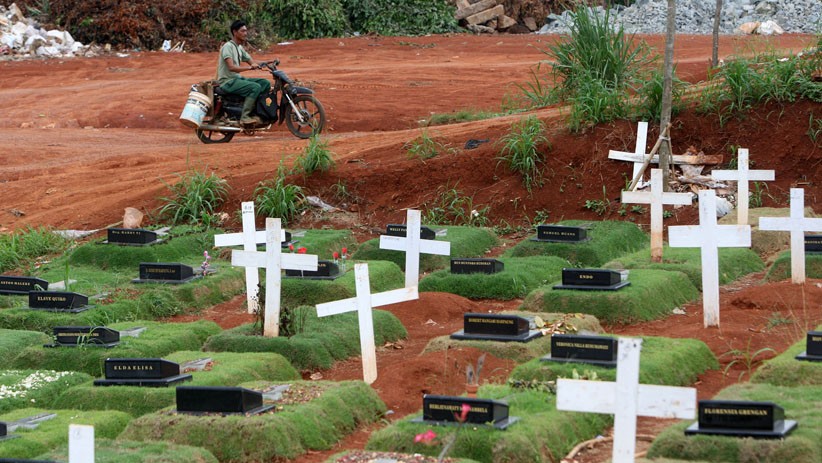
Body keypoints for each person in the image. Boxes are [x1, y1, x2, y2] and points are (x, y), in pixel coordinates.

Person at [216, 20, 271, 125]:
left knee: (265, 83)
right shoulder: (228, 47)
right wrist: (250, 68)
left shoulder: (239, 48)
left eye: (246, 31)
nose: (245, 33)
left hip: (237, 79)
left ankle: (256, 113)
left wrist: (267, 62)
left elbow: (252, 62)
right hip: (228, 81)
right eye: (243, 31)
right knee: (255, 87)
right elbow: (231, 67)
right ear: (235, 32)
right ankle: (245, 117)